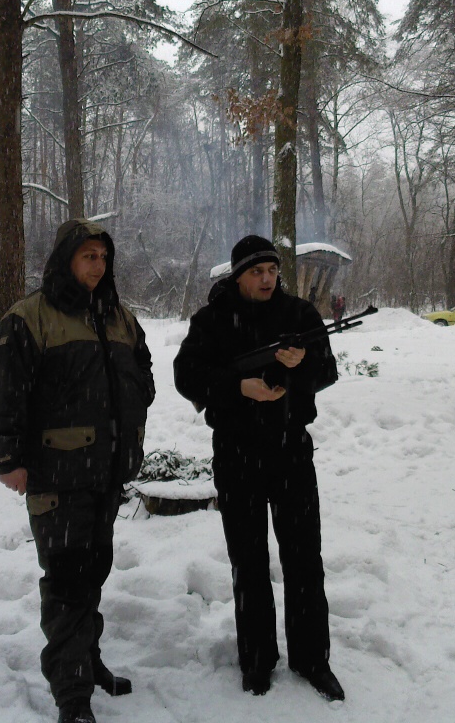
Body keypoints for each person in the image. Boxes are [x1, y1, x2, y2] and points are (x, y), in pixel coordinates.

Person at [0, 219, 156, 723]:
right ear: (66, 260)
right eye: (88, 257)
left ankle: (87, 660)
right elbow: (5, 393)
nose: (98, 266)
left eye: (103, 257)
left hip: (106, 471)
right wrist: (8, 458)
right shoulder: (30, 318)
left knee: (93, 572)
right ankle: (72, 695)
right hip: (56, 473)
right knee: (65, 580)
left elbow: (143, 373)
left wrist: (131, 407)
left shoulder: (119, 317)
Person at [173, 235, 345, 701]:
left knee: (304, 559)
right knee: (248, 562)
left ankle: (312, 659)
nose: (267, 279)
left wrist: (301, 365)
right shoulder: (211, 321)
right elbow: (185, 376)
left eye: (272, 270)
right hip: (237, 453)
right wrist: (237, 387)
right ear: (238, 276)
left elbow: (327, 372)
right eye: (256, 272)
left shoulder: (300, 315)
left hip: (291, 451)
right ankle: (256, 659)